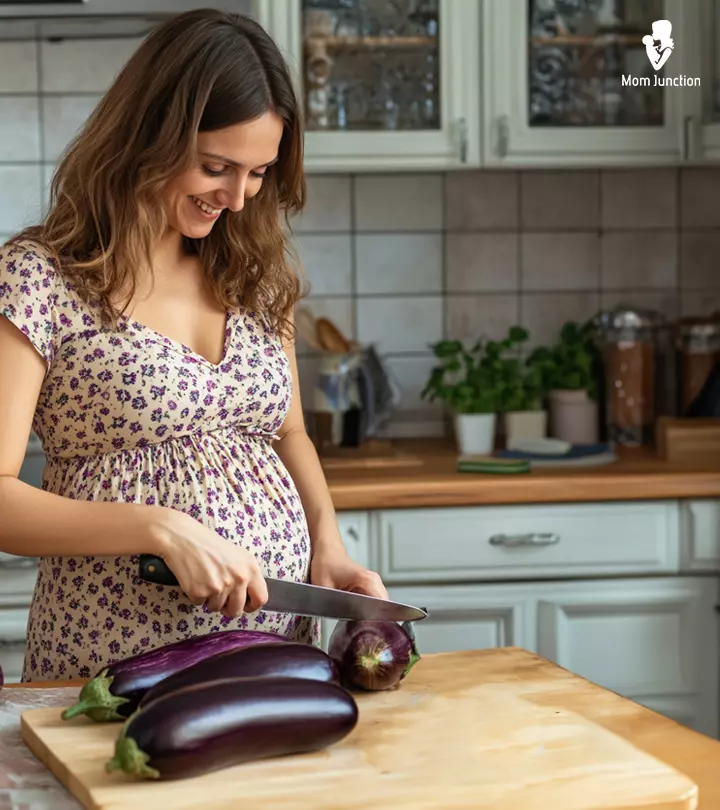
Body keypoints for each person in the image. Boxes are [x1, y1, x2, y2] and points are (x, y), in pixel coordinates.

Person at [0, 8, 388, 682]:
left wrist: (328, 543)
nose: (238, 199)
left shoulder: (255, 271)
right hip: (114, 663)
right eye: (217, 167)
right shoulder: (42, 277)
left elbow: (289, 432)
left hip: (275, 657)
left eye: (259, 172)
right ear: (150, 137)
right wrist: (161, 528)